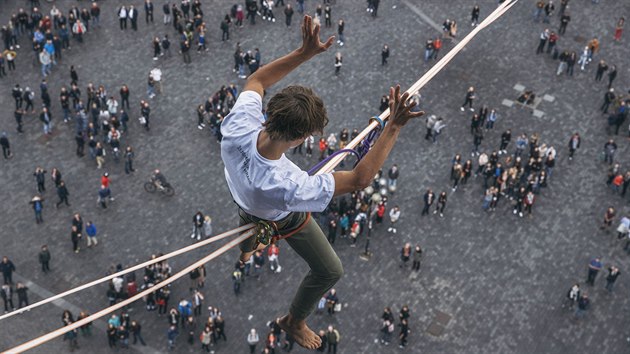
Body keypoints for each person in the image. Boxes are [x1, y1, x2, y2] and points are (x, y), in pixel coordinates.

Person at [220, 15, 423, 350]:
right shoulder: (287, 185)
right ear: (301, 139)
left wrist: (304, 53)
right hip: (276, 211)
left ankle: (250, 246)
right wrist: (394, 126)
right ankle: (293, 320)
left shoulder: (239, 124)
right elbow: (360, 179)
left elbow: (256, 80)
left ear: (269, 113)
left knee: (250, 228)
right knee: (330, 270)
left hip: (242, 195)